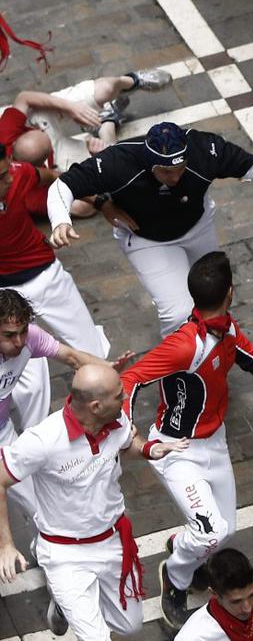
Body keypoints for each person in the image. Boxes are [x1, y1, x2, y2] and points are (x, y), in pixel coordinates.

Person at [120, 251, 253, 629]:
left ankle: (185, 546)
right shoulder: (185, 344)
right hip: (177, 450)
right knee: (212, 531)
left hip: (215, 442)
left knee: (225, 531)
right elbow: (130, 379)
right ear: (231, 292)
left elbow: (249, 354)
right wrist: (125, 429)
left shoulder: (226, 328)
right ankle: (175, 577)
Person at [46, 122, 253, 337]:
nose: (175, 176)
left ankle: (217, 346)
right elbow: (63, 185)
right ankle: (178, 373)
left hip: (197, 227)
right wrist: (61, 220)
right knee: (177, 314)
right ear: (150, 164)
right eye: (166, 171)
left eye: (180, 167)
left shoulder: (205, 150)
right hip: (147, 239)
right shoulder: (117, 163)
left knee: (216, 293)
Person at [0, 364, 186, 639]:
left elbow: (127, 442)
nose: (125, 398)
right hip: (65, 554)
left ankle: (67, 607)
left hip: (112, 542)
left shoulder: (116, 419)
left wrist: (149, 449)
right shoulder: (43, 440)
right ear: (96, 406)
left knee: (130, 626)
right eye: (118, 394)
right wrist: (6, 544)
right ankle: (69, 600)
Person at [0, 150, 110, 437]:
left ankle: (105, 426)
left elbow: (57, 180)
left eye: (7, 171)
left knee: (93, 355)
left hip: (47, 275)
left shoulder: (19, 173)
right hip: (5, 296)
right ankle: (35, 449)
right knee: (31, 387)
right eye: (1, 177)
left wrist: (98, 202)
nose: (10, 178)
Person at [0, 289, 131, 520]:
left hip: (2, 432)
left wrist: (106, 370)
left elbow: (72, 358)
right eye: (10, 335)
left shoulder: (31, 338)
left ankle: (44, 553)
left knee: (36, 506)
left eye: (22, 331)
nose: (19, 341)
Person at [0, 69, 173, 218]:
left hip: (41, 124)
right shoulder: (26, 198)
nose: (10, 178)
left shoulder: (5, 135)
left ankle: (133, 80)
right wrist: (97, 161)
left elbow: (24, 98)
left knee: (106, 88)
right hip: (57, 164)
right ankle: (107, 122)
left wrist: (71, 107)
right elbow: (84, 207)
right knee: (114, 162)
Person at [174, 548, 253, 641]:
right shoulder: (194, 637)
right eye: (236, 601)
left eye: (251, 595)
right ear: (214, 594)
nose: (247, 608)